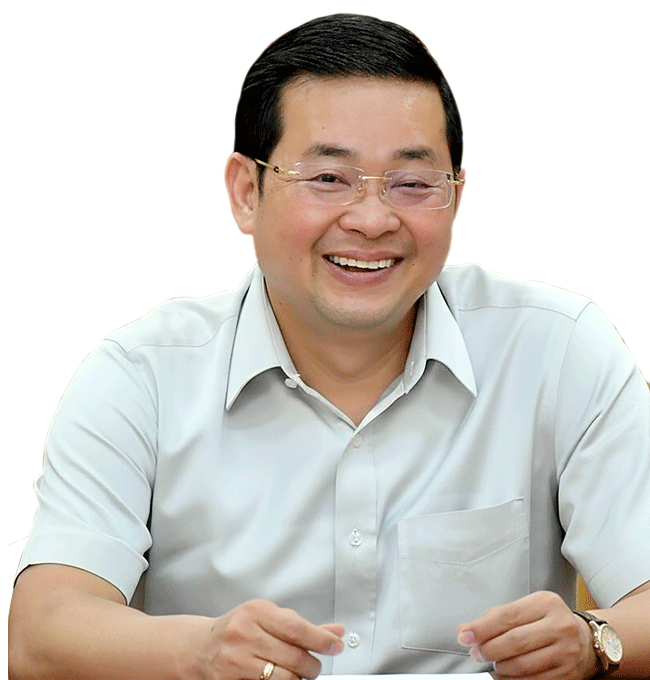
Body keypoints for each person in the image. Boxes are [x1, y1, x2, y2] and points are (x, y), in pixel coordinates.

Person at [8, 13, 650, 680]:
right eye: (327, 179)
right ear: (246, 192)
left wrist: (593, 640)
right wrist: (198, 654)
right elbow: (40, 635)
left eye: (412, 183)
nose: (371, 220)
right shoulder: (141, 378)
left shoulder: (556, 352)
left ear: (456, 197)